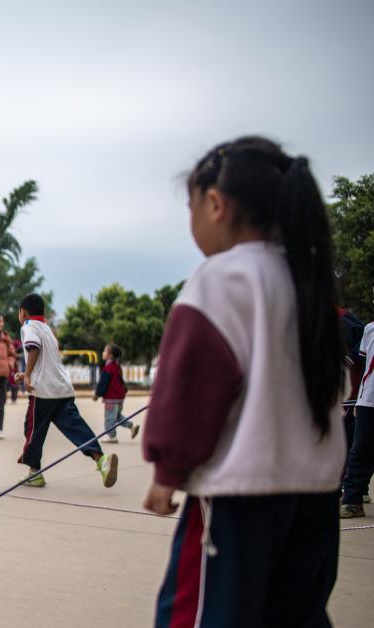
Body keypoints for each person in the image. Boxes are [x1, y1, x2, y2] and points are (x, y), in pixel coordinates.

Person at [141, 138, 347, 626]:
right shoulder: (307, 280)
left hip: (239, 499)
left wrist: (166, 473)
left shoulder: (222, 279)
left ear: (215, 204)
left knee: (203, 615)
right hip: (316, 493)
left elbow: (188, 391)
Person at [14, 293, 118, 488]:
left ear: (23, 312)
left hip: (43, 391)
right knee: (76, 427)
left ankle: (34, 473)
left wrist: (28, 376)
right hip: (62, 389)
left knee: (33, 430)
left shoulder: (28, 327)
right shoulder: (47, 329)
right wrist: (26, 372)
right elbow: (46, 358)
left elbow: (33, 348)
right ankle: (102, 461)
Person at [342, 308, 373, 518]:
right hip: (368, 401)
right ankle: (353, 500)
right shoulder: (370, 330)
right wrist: (357, 401)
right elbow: (364, 366)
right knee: (360, 450)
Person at [92, 343, 138, 443]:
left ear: (110, 355)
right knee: (116, 416)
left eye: (105, 351)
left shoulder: (108, 368)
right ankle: (131, 426)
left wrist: (97, 394)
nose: (103, 353)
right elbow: (121, 381)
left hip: (111, 398)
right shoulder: (116, 367)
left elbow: (103, 383)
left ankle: (111, 436)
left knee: (109, 417)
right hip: (119, 398)